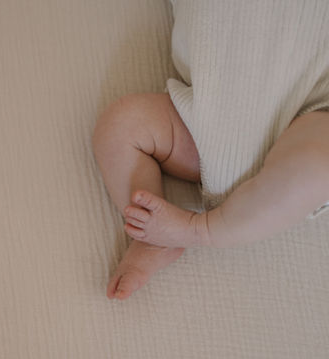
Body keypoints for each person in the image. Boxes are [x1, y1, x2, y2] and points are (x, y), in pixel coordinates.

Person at [92, 0, 329, 300]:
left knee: (318, 168)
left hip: (312, 105)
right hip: (205, 119)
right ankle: (154, 238)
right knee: (121, 124)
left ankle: (199, 230)